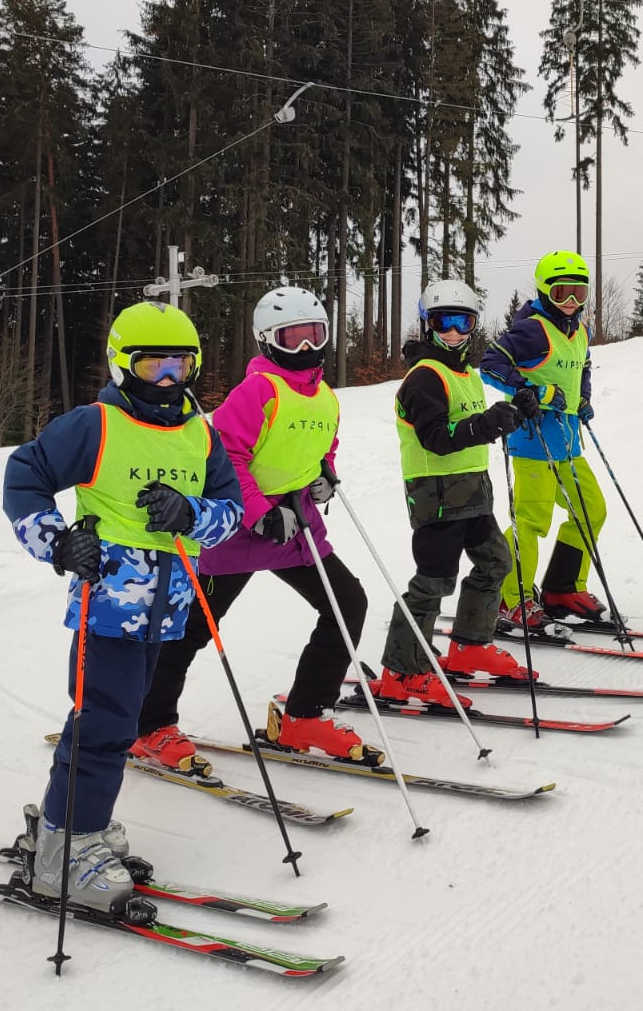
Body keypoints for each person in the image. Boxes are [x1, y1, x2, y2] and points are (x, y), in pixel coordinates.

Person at [1, 301, 242, 915]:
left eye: (180, 364)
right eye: (153, 364)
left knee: (121, 720)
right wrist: (57, 541)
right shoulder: (95, 424)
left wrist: (192, 514)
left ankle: (80, 825)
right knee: (102, 724)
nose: (168, 379)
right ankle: (65, 848)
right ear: (122, 364)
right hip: (106, 604)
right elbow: (24, 475)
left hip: (168, 606)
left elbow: (230, 510)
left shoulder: (199, 432)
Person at [131, 286, 382, 772]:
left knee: (347, 603)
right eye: (293, 338)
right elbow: (226, 457)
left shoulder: (326, 397)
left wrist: (325, 475)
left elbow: (319, 451)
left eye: (314, 336)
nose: (306, 348)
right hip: (236, 532)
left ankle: (304, 715)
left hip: (294, 529)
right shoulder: (258, 391)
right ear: (269, 340)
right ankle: (148, 725)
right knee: (191, 629)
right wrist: (260, 512)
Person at [366, 280, 531, 707]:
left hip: (474, 494)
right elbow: (436, 437)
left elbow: (477, 421)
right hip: (436, 498)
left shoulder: (466, 374)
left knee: (497, 562)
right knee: (433, 582)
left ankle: (470, 645)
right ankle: (402, 672)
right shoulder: (424, 377)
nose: (455, 332)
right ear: (428, 325)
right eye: (444, 323)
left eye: (464, 322)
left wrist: (513, 412)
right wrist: (487, 426)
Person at [481, 251, 609, 626]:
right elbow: (491, 364)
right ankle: (511, 599)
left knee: (591, 510)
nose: (570, 302)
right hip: (532, 440)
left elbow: (582, 367)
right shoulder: (532, 329)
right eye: (561, 293)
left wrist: (582, 398)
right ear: (544, 291)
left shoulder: (581, 331)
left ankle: (562, 589)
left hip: (568, 443)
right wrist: (531, 390)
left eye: (579, 293)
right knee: (531, 521)